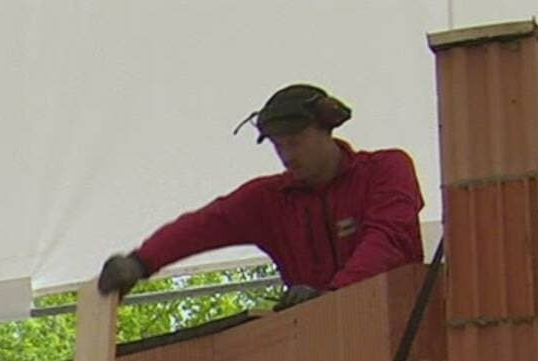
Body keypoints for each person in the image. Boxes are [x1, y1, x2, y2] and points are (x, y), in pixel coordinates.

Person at [96, 83, 424, 310]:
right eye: (277, 145)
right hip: (321, 345)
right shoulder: (270, 200)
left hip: (401, 336)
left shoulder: (386, 169)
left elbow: (388, 239)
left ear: (327, 128)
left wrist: (333, 297)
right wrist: (140, 262)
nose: (285, 155)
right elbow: (206, 225)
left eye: (293, 142)